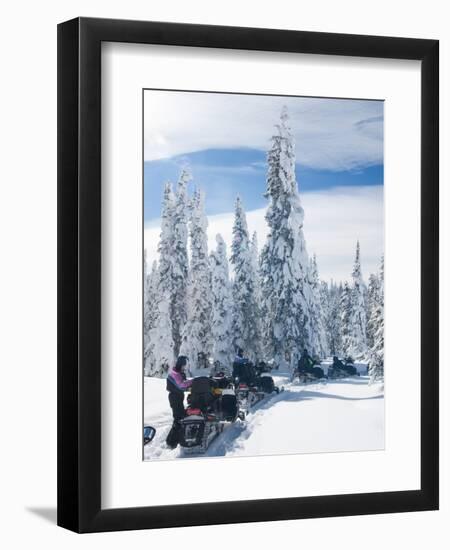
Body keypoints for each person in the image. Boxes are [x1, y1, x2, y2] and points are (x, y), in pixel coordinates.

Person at [165, 356, 192, 449]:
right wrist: (193, 381)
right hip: (174, 398)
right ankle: (171, 442)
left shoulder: (179, 373)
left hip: (177, 397)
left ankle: (175, 440)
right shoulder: (175, 374)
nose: (185, 367)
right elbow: (181, 385)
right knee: (178, 419)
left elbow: (183, 383)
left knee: (180, 417)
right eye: (184, 365)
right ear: (181, 364)